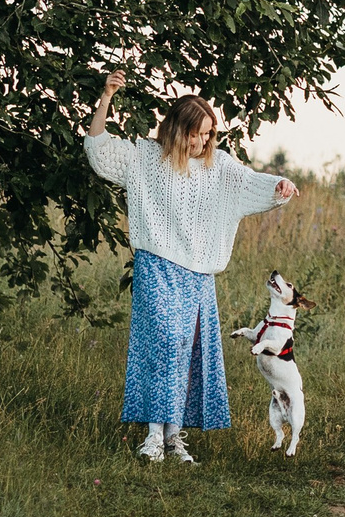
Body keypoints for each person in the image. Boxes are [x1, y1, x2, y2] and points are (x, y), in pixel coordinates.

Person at [83, 71, 298, 463]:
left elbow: (253, 183)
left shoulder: (219, 166)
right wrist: (106, 97)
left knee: (186, 351)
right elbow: (99, 151)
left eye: (208, 134)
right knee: (163, 344)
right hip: (156, 267)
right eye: (195, 133)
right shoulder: (146, 158)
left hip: (197, 275)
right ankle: (152, 436)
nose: (201, 142)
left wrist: (280, 185)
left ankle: (174, 436)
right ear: (176, 129)